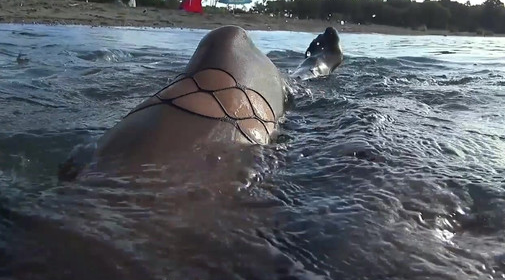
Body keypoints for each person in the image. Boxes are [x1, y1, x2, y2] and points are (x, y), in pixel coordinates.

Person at [59, 25, 344, 180]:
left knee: (228, 40)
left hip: (117, 168)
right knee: (289, 74)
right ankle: (322, 61)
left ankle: (319, 62)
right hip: (247, 106)